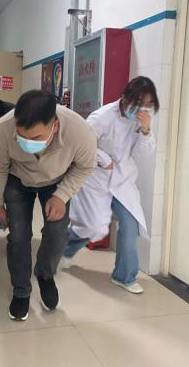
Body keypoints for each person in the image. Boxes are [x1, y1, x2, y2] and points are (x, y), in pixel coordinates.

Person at [0, 90, 96, 321]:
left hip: (56, 181)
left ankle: (45, 275)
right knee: (18, 237)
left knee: (57, 233)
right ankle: (21, 291)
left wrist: (62, 195)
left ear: (54, 126)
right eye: (21, 135)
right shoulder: (3, 128)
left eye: (36, 137)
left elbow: (86, 166)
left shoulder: (79, 131)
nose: (27, 141)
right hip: (18, 180)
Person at [60, 76, 159, 294]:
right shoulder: (102, 117)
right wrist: (103, 158)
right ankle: (66, 248)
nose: (142, 109)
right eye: (139, 102)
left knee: (129, 226)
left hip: (122, 181)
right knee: (93, 228)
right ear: (124, 98)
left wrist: (145, 131)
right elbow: (81, 144)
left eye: (148, 104)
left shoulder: (140, 121)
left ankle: (124, 276)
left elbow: (141, 153)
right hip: (96, 180)